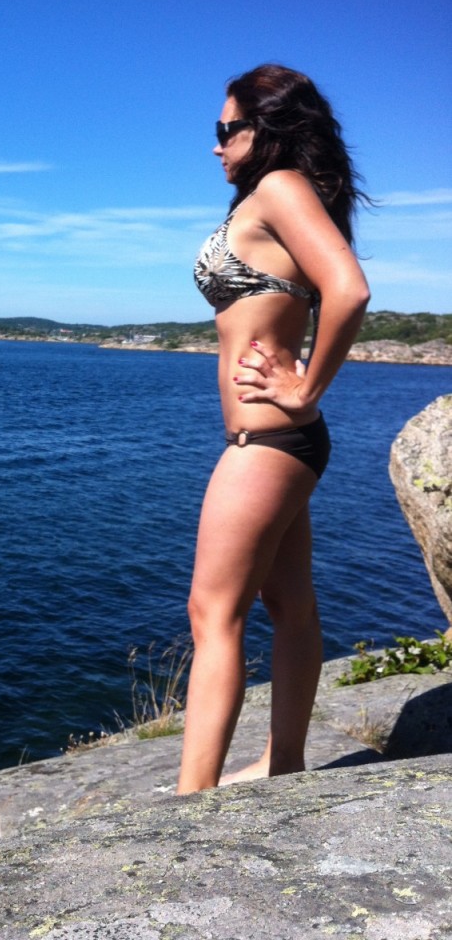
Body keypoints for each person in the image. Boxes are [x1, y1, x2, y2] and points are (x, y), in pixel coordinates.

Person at [177, 64, 371, 794]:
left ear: (268, 128)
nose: (217, 145)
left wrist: (305, 385)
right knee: (288, 605)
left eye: (226, 129)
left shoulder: (282, 187)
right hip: (279, 441)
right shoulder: (273, 196)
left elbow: (349, 289)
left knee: (212, 612)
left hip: (271, 440)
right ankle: (284, 763)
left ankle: (189, 803)